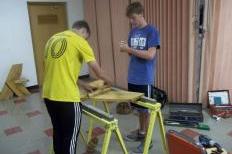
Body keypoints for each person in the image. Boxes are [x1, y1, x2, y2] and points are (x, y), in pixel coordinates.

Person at [42, 20, 111, 154]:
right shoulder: (80, 41)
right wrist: (111, 83)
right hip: (67, 98)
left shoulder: (52, 39)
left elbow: (56, 69)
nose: (85, 40)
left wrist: (82, 83)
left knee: (58, 132)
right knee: (70, 138)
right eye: (86, 37)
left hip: (48, 95)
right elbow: (99, 72)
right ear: (84, 31)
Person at [120, 2, 160, 153]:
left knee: (146, 110)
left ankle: (147, 141)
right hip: (132, 76)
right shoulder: (133, 32)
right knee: (139, 109)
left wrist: (129, 49)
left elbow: (150, 55)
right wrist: (126, 49)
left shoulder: (152, 31)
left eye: (133, 18)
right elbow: (132, 53)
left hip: (144, 78)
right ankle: (142, 132)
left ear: (141, 14)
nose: (131, 22)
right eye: (130, 19)